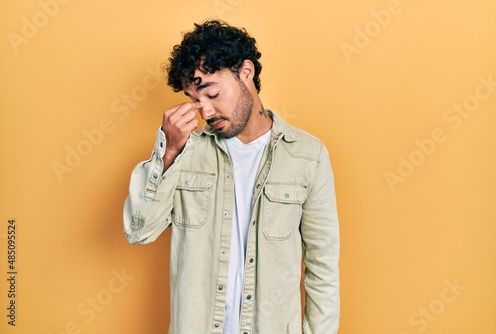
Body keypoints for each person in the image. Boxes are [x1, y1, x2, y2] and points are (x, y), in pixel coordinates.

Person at [123, 19, 340, 334]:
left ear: (246, 73)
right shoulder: (186, 151)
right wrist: (169, 152)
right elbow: (139, 231)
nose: (206, 112)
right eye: (195, 101)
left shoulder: (307, 155)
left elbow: (323, 267)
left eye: (212, 93)